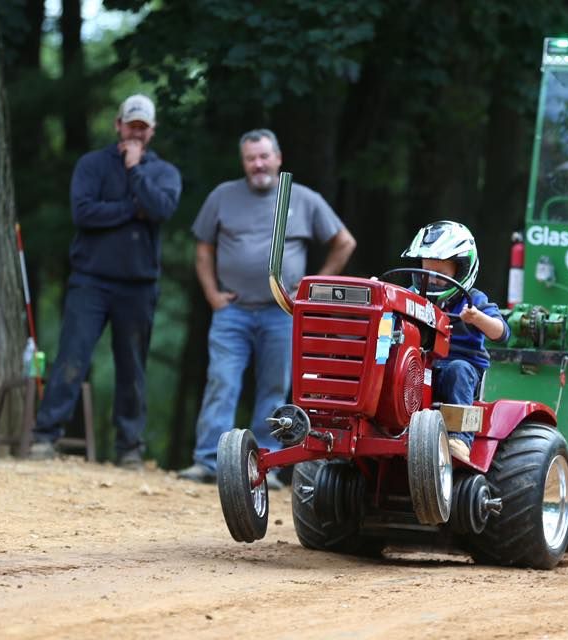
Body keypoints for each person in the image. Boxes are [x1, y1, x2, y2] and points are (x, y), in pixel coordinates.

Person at [178, 129, 356, 487]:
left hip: (283, 313)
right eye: (250, 158)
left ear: (278, 158)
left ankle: (265, 466)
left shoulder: (303, 198)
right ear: (243, 162)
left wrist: (313, 288)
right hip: (233, 310)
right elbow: (203, 249)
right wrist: (212, 294)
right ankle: (208, 461)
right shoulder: (223, 196)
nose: (258, 164)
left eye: (263, 156)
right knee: (221, 382)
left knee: (274, 388)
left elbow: (344, 241)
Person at [29, 94, 182, 469]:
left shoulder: (163, 173)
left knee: (132, 366)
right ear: (118, 125)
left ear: (152, 131)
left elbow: (162, 209)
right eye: (131, 125)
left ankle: (129, 448)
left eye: (143, 127)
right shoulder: (92, 165)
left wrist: (135, 172)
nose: (136, 132)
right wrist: (133, 209)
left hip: (139, 284)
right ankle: (45, 438)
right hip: (90, 280)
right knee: (72, 357)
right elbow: (83, 213)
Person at [401, 220, 510, 462]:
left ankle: (460, 439)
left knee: (458, 370)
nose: (432, 280)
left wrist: (477, 317)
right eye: (426, 271)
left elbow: (501, 333)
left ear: (461, 271)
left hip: (459, 369)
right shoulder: (410, 295)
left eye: (440, 275)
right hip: (419, 366)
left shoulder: (474, 300)